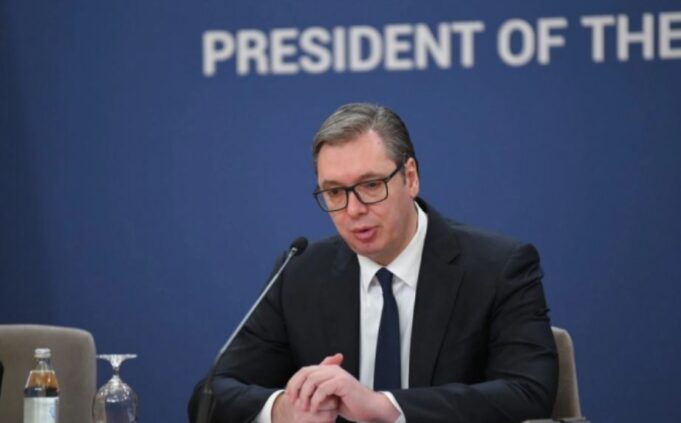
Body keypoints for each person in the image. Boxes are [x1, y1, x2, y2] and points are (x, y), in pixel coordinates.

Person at [189, 103, 558, 423]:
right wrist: (284, 410)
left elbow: (529, 392)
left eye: (370, 185)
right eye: (335, 192)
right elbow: (210, 396)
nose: (353, 210)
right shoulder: (300, 273)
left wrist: (385, 407)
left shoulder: (497, 268)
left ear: (410, 178)